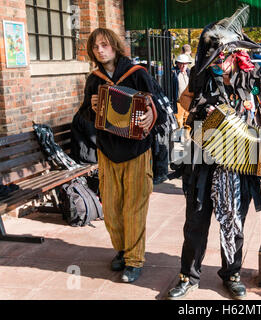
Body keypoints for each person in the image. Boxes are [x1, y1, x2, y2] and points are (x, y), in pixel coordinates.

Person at [166, 5, 261, 300]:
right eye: (214, 56)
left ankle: (231, 274)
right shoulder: (200, 75)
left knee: (235, 223)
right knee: (195, 221)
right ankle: (188, 276)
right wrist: (195, 112)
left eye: (225, 55)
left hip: (240, 162)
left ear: (236, 52)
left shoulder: (254, 77)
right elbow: (183, 102)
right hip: (202, 159)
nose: (220, 61)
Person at [82, 28, 164, 283]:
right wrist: (92, 109)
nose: (100, 50)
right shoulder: (94, 80)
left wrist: (152, 114)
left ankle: (134, 260)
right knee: (113, 209)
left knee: (134, 208)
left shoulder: (137, 74)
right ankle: (122, 249)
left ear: (115, 46)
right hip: (107, 151)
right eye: (96, 47)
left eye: (105, 45)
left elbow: (160, 103)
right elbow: (84, 114)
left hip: (137, 150)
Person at [171, 54, 191, 130]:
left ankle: (187, 139)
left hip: (189, 103)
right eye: (181, 64)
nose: (183, 66)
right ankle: (178, 138)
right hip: (178, 103)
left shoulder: (190, 73)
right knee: (178, 122)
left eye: (185, 64)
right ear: (177, 64)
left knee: (188, 122)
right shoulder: (173, 73)